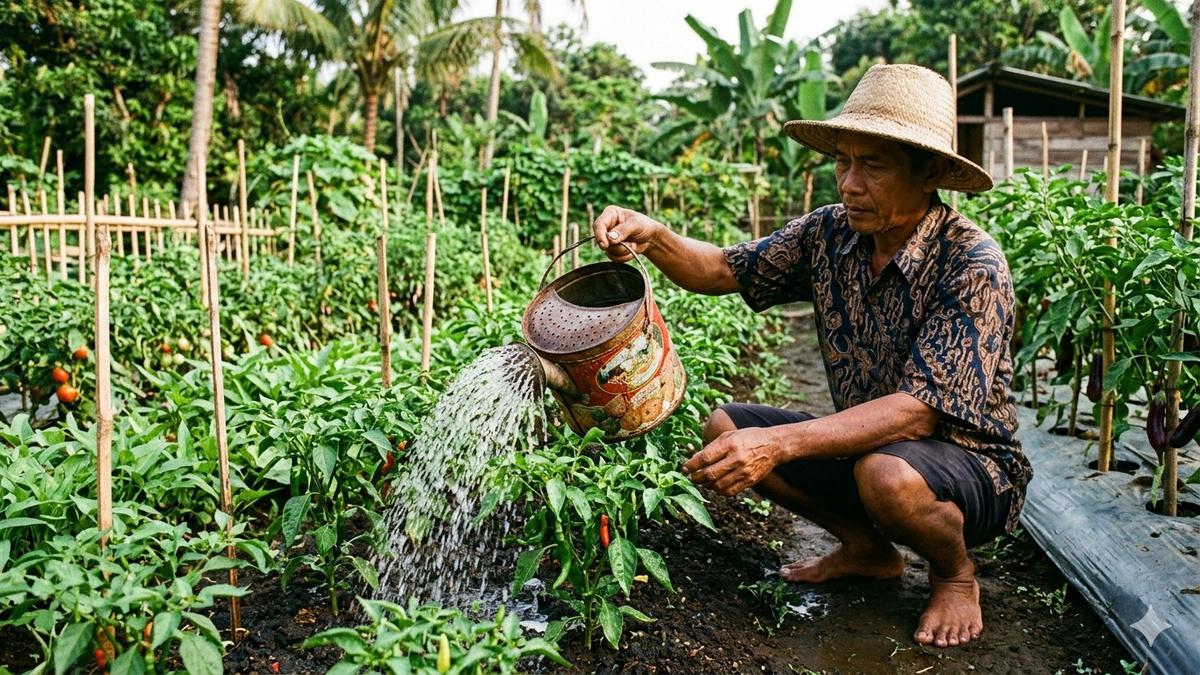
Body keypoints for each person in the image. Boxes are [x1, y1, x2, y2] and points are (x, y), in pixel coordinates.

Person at [590, 64, 1032, 649]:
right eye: (843, 162)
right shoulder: (830, 233)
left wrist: (777, 443)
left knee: (884, 474)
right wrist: (656, 238)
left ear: (928, 173)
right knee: (727, 428)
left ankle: (954, 574)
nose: (850, 183)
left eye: (873, 165)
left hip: (971, 467)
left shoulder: (971, 263)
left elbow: (917, 413)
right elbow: (722, 269)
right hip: (871, 450)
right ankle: (868, 550)